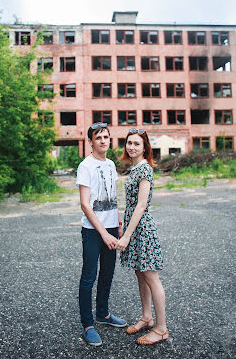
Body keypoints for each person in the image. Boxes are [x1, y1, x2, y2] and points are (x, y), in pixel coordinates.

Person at [115, 128, 169, 346]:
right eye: (129, 143)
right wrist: (124, 227)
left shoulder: (145, 169)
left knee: (151, 276)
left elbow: (141, 205)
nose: (131, 147)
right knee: (140, 273)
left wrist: (126, 235)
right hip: (133, 227)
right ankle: (147, 318)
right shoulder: (135, 168)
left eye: (137, 144)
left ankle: (161, 328)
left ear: (145, 147)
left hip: (142, 230)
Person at [76, 122, 127, 346]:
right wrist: (104, 234)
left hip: (111, 228)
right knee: (89, 277)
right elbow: (85, 205)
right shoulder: (85, 166)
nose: (103, 141)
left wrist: (117, 225)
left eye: (106, 137)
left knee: (107, 273)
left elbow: (113, 198)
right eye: (98, 138)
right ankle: (88, 325)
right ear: (90, 142)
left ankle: (103, 314)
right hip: (92, 230)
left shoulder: (110, 164)